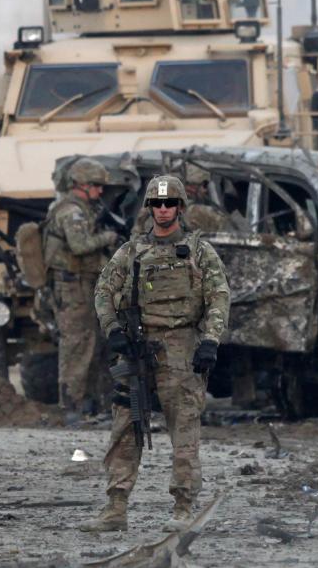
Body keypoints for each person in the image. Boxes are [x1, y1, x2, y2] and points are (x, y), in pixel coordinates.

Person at [81, 175, 231, 533]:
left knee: (184, 430)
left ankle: (183, 507)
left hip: (181, 349)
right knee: (125, 427)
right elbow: (103, 290)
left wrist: (210, 340)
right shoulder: (131, 251)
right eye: (157, 204)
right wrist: (113, 330)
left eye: (169, 204)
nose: (163, 210)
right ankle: (116, 507)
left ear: (180, 207)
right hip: (136, 349)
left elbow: (219, 297)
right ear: (149, 208)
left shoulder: (198, 251)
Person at [43, 157, 118, 416]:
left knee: (90, 342)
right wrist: (108, 237)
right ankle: (72, 406)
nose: (100, 191)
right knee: (76, 345)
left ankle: (88, 403)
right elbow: (80, 246)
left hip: (82, 285)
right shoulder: (71, 212)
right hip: (71, 287)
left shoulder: (81, 209)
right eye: (96, 186)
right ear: (81, 185)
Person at [182, 163, 233, 233]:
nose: (205, 190)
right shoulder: (195, 211)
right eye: (205, 185)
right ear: (193, 186)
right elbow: (225, 226)